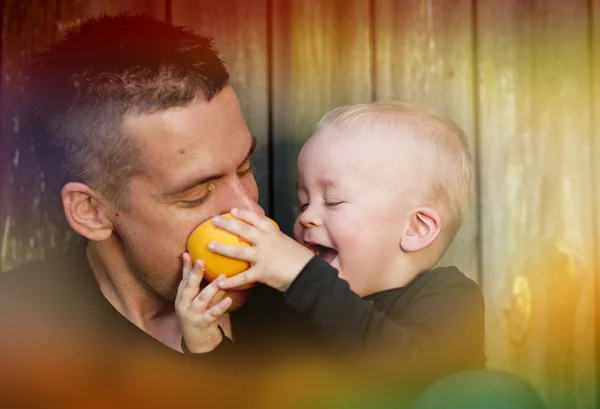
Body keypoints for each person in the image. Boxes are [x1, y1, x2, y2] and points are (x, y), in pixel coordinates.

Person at [176, 101, 486, 399]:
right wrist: (207, 346)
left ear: (416, 228)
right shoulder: (291, 306)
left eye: (333, 201)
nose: (306, 216)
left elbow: (407, 377)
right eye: (304, 202)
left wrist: (303, 276)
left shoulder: (452, 298)